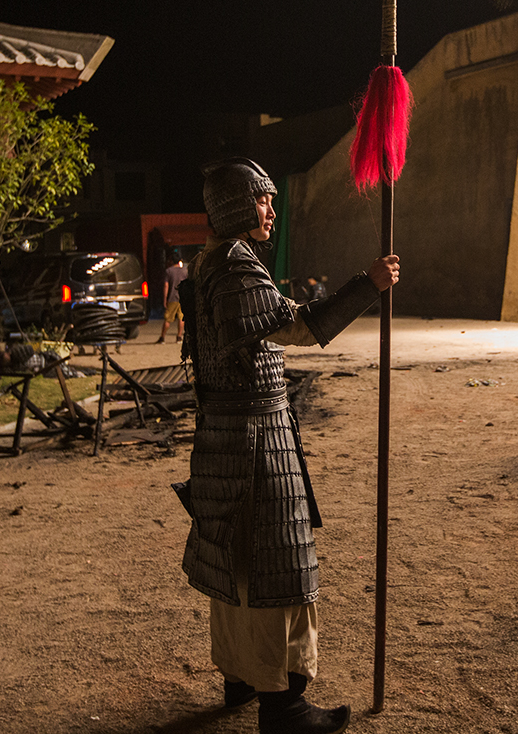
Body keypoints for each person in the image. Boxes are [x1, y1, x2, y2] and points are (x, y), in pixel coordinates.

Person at [178, 157, 398, 734]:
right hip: (254, 440)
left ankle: (242, 675)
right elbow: (299, 326)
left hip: (225, 438)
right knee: (281, 564)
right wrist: (367, 286)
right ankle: (285, 707)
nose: (271, 211)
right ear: (235, 207)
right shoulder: (234, 263)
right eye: (262, 200)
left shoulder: (208, 265)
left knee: (238, 561)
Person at [158, 253, 189, 344]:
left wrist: (165, 299)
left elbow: (166, 286)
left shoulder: (169, 271)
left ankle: (162, 337)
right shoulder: (185, 271)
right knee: (181, 318)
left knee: (168, 318)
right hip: (183, 298)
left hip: (172, 297)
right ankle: (179, 337)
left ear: (171, 261)